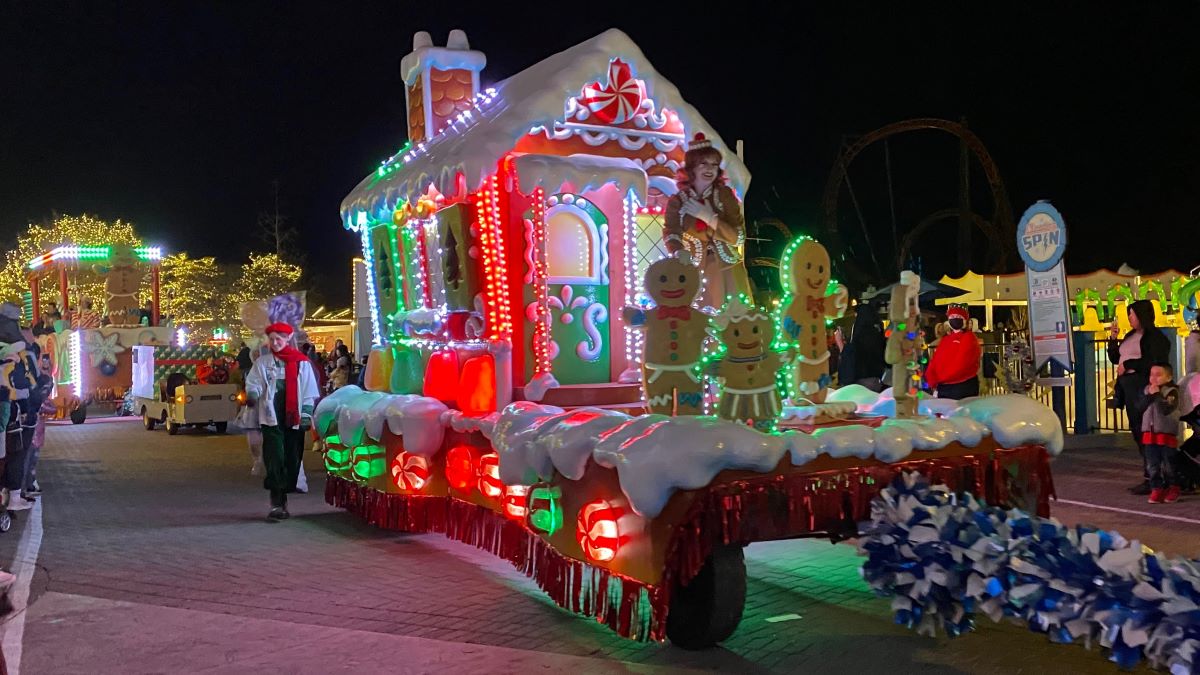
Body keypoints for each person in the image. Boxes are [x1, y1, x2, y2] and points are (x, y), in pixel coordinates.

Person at [663, 132, 751, 311]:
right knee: (700, 323)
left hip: (728, 269)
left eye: (714, 164)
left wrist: (709, 217)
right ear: (692, 168)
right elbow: (671, 232)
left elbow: (739, 237)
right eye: (704, 163)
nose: (710, 169)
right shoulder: (678, 201)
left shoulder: (725, 196)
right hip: (694, 271)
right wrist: (678, 251)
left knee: (735, 322)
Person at [244, 323, 319, 520]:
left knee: (292, 458)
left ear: (288, 339)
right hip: (272, 419)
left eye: (279, 339)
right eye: (272, 339)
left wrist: (306, 414)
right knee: (274, 457)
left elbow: (309, 391)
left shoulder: (302, 363)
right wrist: (252, 394)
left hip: (294, 419)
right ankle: (277, 502)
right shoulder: (263, 363)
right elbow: (255, 382)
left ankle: (286, 492)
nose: (276, 343)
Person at [1108, 299, 1171, 495]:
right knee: (1137, 430)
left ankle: (1157, 477)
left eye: (1132, 314)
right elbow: (1115, 358)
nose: (1129, 318)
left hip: (1141, 386)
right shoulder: (1130, 336)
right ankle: (1150, 475)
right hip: (1128, 389)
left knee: (1148, 432)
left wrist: (1129, 365)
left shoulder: (1154, 337)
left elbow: (1153, 361)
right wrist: (1113, 338)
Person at [1142, 363, 1182, 504]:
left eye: (1158, 375)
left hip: (1166, 434)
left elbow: (1165, 409)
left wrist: (1157, 395)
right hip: (1149, 434)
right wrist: (1150, 395)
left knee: (1169, 464)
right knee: (1152, 464)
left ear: (1168, 377)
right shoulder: (1147, 390)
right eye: (1152, 375)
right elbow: (1139, 406)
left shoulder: (1172, 392)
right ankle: (1156, 488)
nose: (1154, 378)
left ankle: (1174, 488)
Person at [925, 304, 983, 399]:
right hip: (944, 386)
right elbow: (935, 361)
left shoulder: (969, 337)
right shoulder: (946, 340)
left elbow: (962, 362)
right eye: (952, 317)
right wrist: (931, 378)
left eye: (958, 317)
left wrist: (940, 378)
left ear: (965, 320)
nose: (955, 319)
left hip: (962, 385)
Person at [837, 300, 887, 392]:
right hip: (877, 380)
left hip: (862, 383)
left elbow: (851, 356)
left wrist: (840, 343)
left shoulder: (863, 331)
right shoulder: (877, 331)